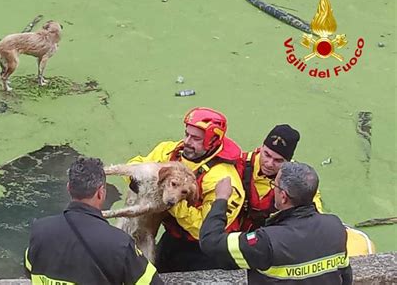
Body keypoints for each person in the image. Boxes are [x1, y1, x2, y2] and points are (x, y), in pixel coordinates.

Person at [127, 107, 245, 272]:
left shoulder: (224, 179)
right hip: (173, 238)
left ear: (213, 140)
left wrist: (170, 199)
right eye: (187, 134)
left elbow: (203, 228)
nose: (187, 141)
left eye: (196, 138)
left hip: (205, 252)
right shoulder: (170, 151)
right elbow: (138, 165)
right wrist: (138, 178)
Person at [200, 162, 352, 284]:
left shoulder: (266, 241)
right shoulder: (335, 226)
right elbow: (345, 275)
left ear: (284, 196)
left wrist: (221, 199)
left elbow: (210, 242)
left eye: (275, 185)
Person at [24, 156, 163, 285]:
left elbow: (29, 268)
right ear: (101, 192)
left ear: (69, 188)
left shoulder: (39, 231)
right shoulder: (120, 244)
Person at [236, 124, 323, 231]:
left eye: (278, 160)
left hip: (270, 235)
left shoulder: (299, 179)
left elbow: (313, 213)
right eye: (266, 154)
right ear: (261, 147)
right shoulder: (239, 163)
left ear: (288, 161)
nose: (269, 163)